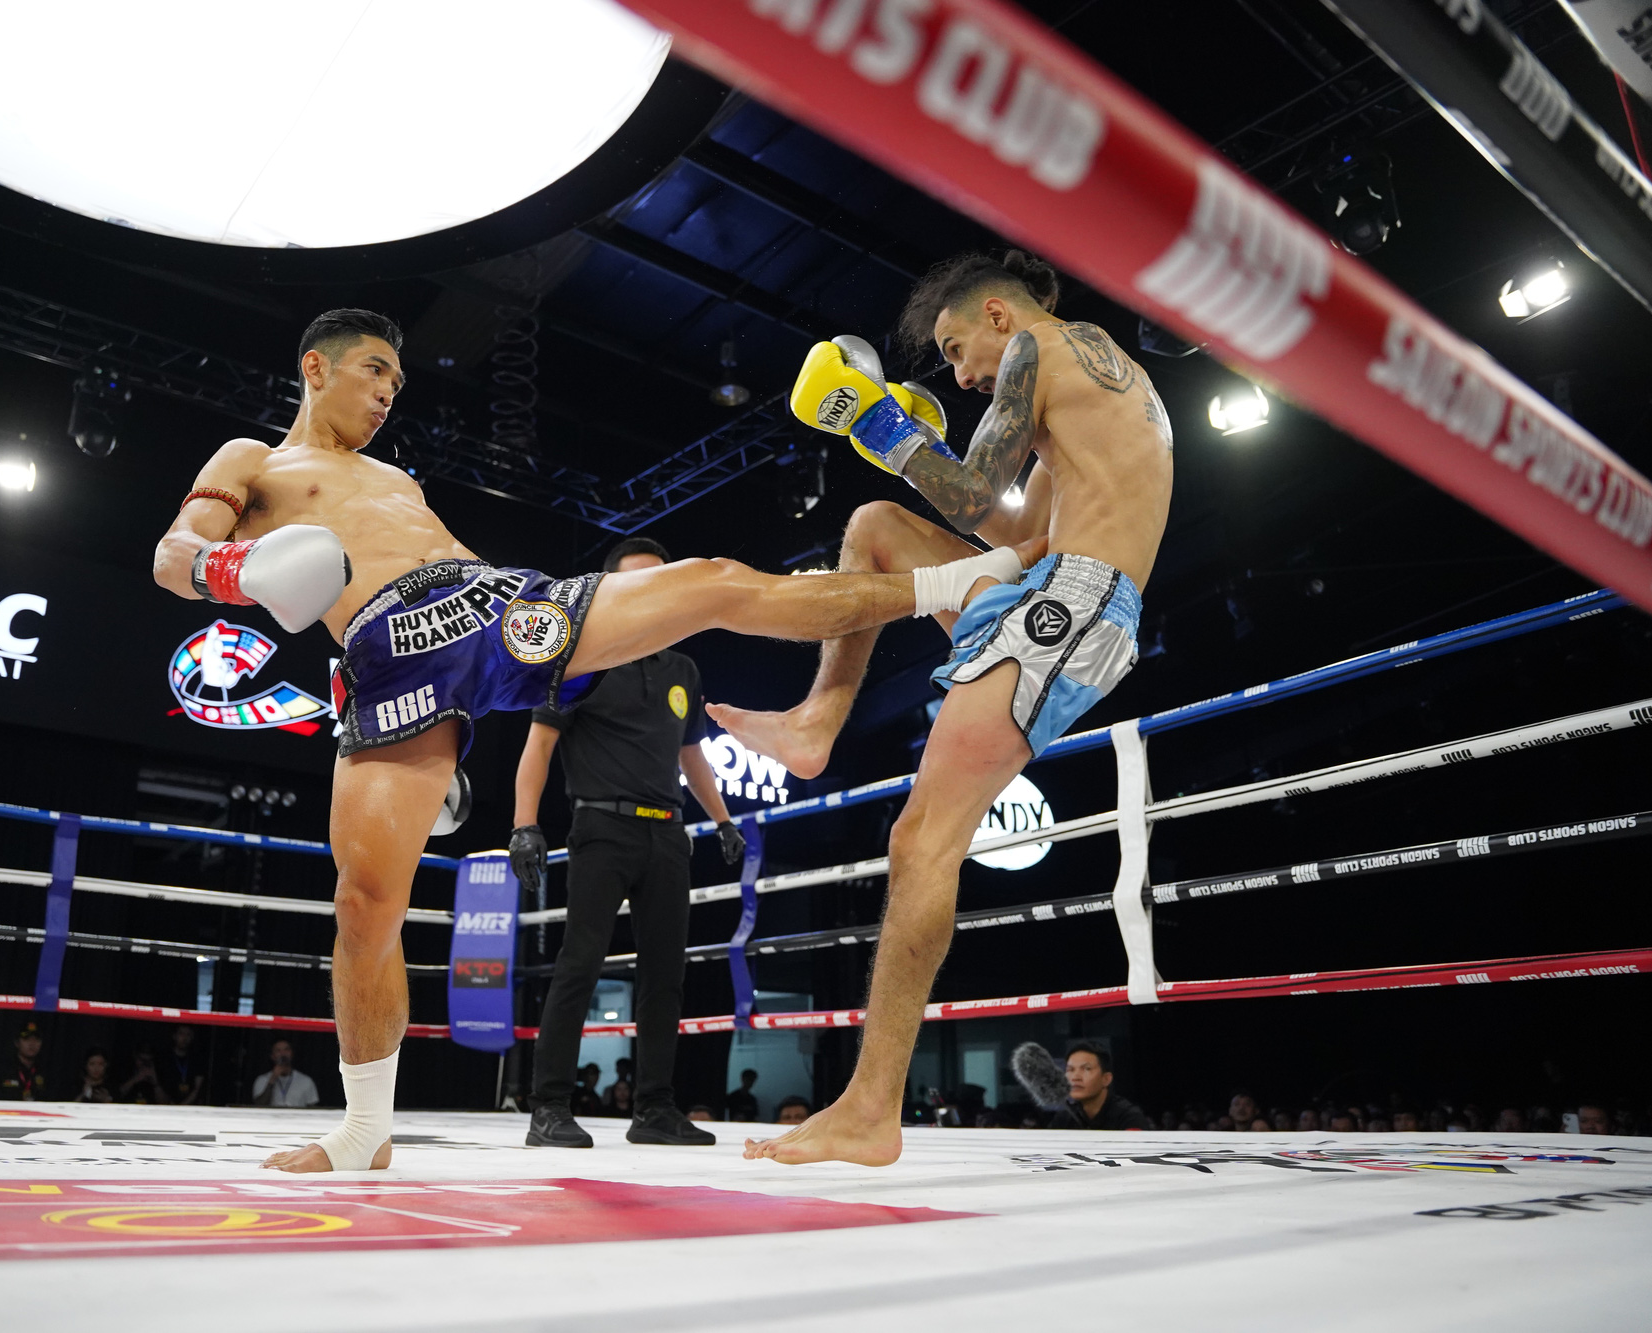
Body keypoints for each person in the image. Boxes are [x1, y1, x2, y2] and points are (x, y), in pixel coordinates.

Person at [152, 310, 1013, 1175]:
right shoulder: (253, 461)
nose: (386, 394)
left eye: (396, 384)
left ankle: (952, 579)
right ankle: (364, 1130)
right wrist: (231, 569)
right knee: (364, 906)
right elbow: (173, 552)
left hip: (494, 606)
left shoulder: (395, 479)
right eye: (375, 371)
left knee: (710, 582)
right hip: (388, 655)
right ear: (315, 367)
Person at [734, 251, 1172, 1166]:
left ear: (1000, 316)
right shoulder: (1096, 382)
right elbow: (1012, 530)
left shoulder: (1042, 352)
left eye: (957, 346)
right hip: (1056, 578)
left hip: (1075, 602)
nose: (964, 373)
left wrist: (880, 422)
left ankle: (870, 1109)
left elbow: (977, 494)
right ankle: (818, 721)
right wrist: (903, 449)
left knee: (921, 838)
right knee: (873, 530)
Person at [513, 538, 739, 1151]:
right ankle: (549, 1108)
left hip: (667, 832)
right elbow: (538, 746)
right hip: (601, 830)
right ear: (609, 590)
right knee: (578, 966)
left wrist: (722, 819)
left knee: (666, 975)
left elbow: (692, 755)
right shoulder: (582, 660)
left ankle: (655, 1110)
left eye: (659, 581)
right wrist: (524, 824)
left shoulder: (683, 671)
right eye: (636, 582)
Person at [1044, 1041, 1152, 1131]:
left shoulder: (1129, 1118)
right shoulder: (1064, 1118)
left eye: (1086, 1069)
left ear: (1106, 1079)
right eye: (1070, 1070)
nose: (1075, 1077)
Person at [252, 1040, 321, 1108]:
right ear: (272, 1056)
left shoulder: (306, 1081)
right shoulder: (262, 1080)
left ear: (292, 1054)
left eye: (286, 1049)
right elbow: (259, 1105)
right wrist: (272, 1080)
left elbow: (312, 1109)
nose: (283, 1054)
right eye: (278, 1050)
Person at [0, 1023, 49, 1101]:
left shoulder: (46, 1070)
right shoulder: (2, 1068)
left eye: (36, 1039)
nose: (32, 1044)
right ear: (17, 1043)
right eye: (26, 1039)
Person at [160, 1024, 206, 1105]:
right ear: (174, 1036)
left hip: (190, 1107)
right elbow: (160, 1085)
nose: (185, 1038)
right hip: (167, 1106)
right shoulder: (164, 1058)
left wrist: (180, 1108)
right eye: (181, 1034)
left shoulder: (197, 1059)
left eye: (188, 1034)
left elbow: (197, 1089)